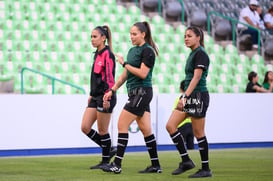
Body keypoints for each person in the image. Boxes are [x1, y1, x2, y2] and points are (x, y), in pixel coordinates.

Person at [102, 21, 162, 174]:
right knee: (146, 129)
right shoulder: (131, 51)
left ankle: (117, 164)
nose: (131, 36)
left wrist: (124, 63)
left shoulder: (148, 51)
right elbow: (125, 76)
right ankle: (155, 166)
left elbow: (142, 73)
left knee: (122, 124)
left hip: (142, 93)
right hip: (137, 93)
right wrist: (112, 90)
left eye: (134, 34)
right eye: (130, 34)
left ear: (143, 34)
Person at [165, 26, 212, 178]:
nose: (186, 38)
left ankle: (206, 169)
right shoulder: (193, 54)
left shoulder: (201, 54)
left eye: (189, 36)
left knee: (199, 133)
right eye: (185, 36)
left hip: (198, 95)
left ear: (198, 37)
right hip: (190, 95)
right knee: (171, 126)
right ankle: (186, 161)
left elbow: (197, 78)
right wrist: (185, 96)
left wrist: (184, 96)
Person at [81, 25, 117, 170]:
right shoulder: (96, 54)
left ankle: (105, 160)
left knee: (103, 130)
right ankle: (109, 149)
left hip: (105, 96)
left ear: (103, 38)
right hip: (95, 97)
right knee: (85, 127)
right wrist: (91, 94)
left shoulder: (108, 54)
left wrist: (108, 95)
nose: (92, 39)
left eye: (95, 36)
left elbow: (109, 77)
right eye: (91, 36)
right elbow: (95, 77)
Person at [174, 80, 194, 150]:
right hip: (191, 125)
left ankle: (185, 159)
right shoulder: (192, 99)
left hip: (181, 125)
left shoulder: (179, 100)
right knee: (191, 147)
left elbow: (175, 112)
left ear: (180, 88)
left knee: (181, 147)